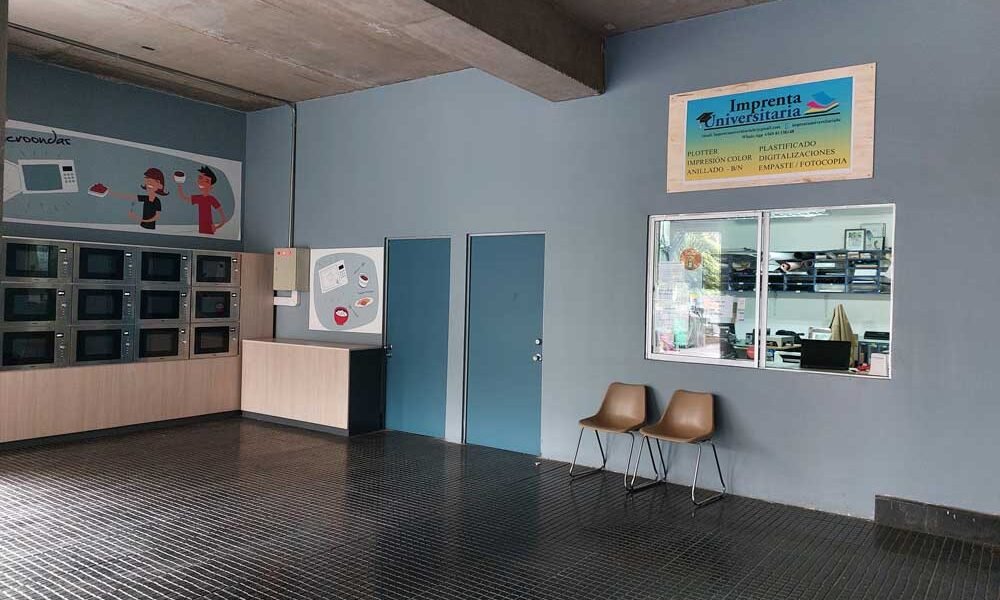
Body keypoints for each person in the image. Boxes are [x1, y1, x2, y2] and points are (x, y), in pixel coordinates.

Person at [100, 167, 167, 230]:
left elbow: (157, 216)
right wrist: (108, 192)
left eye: (152, 181)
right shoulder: (146, 198)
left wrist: (140, 219)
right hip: (142, 226)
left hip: (149, 228)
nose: (148, 183)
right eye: (147, 180)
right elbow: (129, 196)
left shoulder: (157, 201)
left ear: (160, 185)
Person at [176, 166, 227, 235]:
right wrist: (179, 184)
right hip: (201, 230)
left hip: (209, 229)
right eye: (200, 178)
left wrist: (216, 227)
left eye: (206, 181)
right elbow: (184, 197)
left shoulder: (211, 199)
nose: (202, 182)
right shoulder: (199, 198)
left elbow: (223, 219)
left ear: (211, 187)